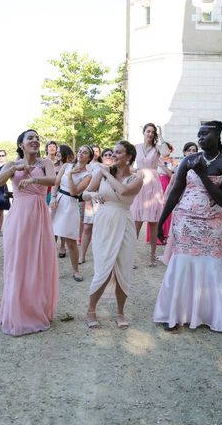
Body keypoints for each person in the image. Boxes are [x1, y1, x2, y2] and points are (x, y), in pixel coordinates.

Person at [153, 121, 222, 333]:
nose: (200, 138)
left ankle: (209, 315)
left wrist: (202, 174)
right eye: (198, 134)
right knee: (182, 264)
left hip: (212, 224)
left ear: (217, 135)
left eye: (205, 134)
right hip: (185, 222)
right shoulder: (189, 160)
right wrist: (162, 220)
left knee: (210, 265)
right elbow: (175, 192)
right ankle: (175, 314)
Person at [0, 129, 58, 336]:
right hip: (19, 217)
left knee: (38, 262)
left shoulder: (45, 163)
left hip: (40, 216)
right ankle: (17, 312)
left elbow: (52, 180)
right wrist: (16, 168)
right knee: (19, 262)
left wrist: (33, 180)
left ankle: (36, 310)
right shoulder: (13, 163)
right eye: (30, 138)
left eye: (36, 138)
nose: (35, 140)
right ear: (21, 144)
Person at [82, 141, 142, 329]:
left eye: (118, 152)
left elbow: (123, 191)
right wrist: (92, 196)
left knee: (123, 268)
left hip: (124, 221)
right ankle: (91, 310)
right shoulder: (101, 172)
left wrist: (107, 173)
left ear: (129, 156)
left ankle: (120, 312)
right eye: (113, 152)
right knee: (104, 267)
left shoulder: (137, 177)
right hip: (105, 220)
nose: (113, 155)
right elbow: (85, 193)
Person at [50, 145, 92, 281]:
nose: (81, 154)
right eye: (80, 151)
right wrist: (53, 198)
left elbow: (75, 192)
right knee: (51, 238)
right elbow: (55, 184)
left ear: (89, 157)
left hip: (71, 204)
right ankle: (48, 270)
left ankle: (76, 270)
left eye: (85, 152)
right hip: (58, 202)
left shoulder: (88, 175)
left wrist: (70, 175)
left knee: (70, 241)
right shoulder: (66, 165)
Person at [130, 123, 165, 266]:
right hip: (139, 183)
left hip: (153, 185)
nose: (150, 134)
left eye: (152, 132)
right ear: (144, 132)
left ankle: (153, 255)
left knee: (153, 222)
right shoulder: (136, 147)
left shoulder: (157, 149)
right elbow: (127, 163)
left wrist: (161, 136)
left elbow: (167, 150)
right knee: (136, 222)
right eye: (148, 131)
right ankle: (130, 257)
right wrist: (134, 171)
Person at [79, 148, 113, 264]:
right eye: (106, 155)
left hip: (107, 203)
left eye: (110, 154)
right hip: (92, 201)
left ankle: (105, 256)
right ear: (102, 157)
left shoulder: (116, 170)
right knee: (87, 227)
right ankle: (82, 255)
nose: (108, 156)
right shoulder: (95, 167)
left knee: (105, 230)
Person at [53, 144, 74, 259]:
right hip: (52, 194)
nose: (57, 153)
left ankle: (62, 246)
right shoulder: (53, 166)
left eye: (60, 151)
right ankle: (52, 246)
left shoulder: (71, 167)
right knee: (53, 222)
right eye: (57, 152)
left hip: (65, 196)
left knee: (63, 222)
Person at [0, 149, 11, 235]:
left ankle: (0, 229)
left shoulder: (7, 165)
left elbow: (4, 175)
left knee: (1, 211)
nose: (1, 157)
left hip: (2, 189)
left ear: (5, 156)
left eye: (3, 155)